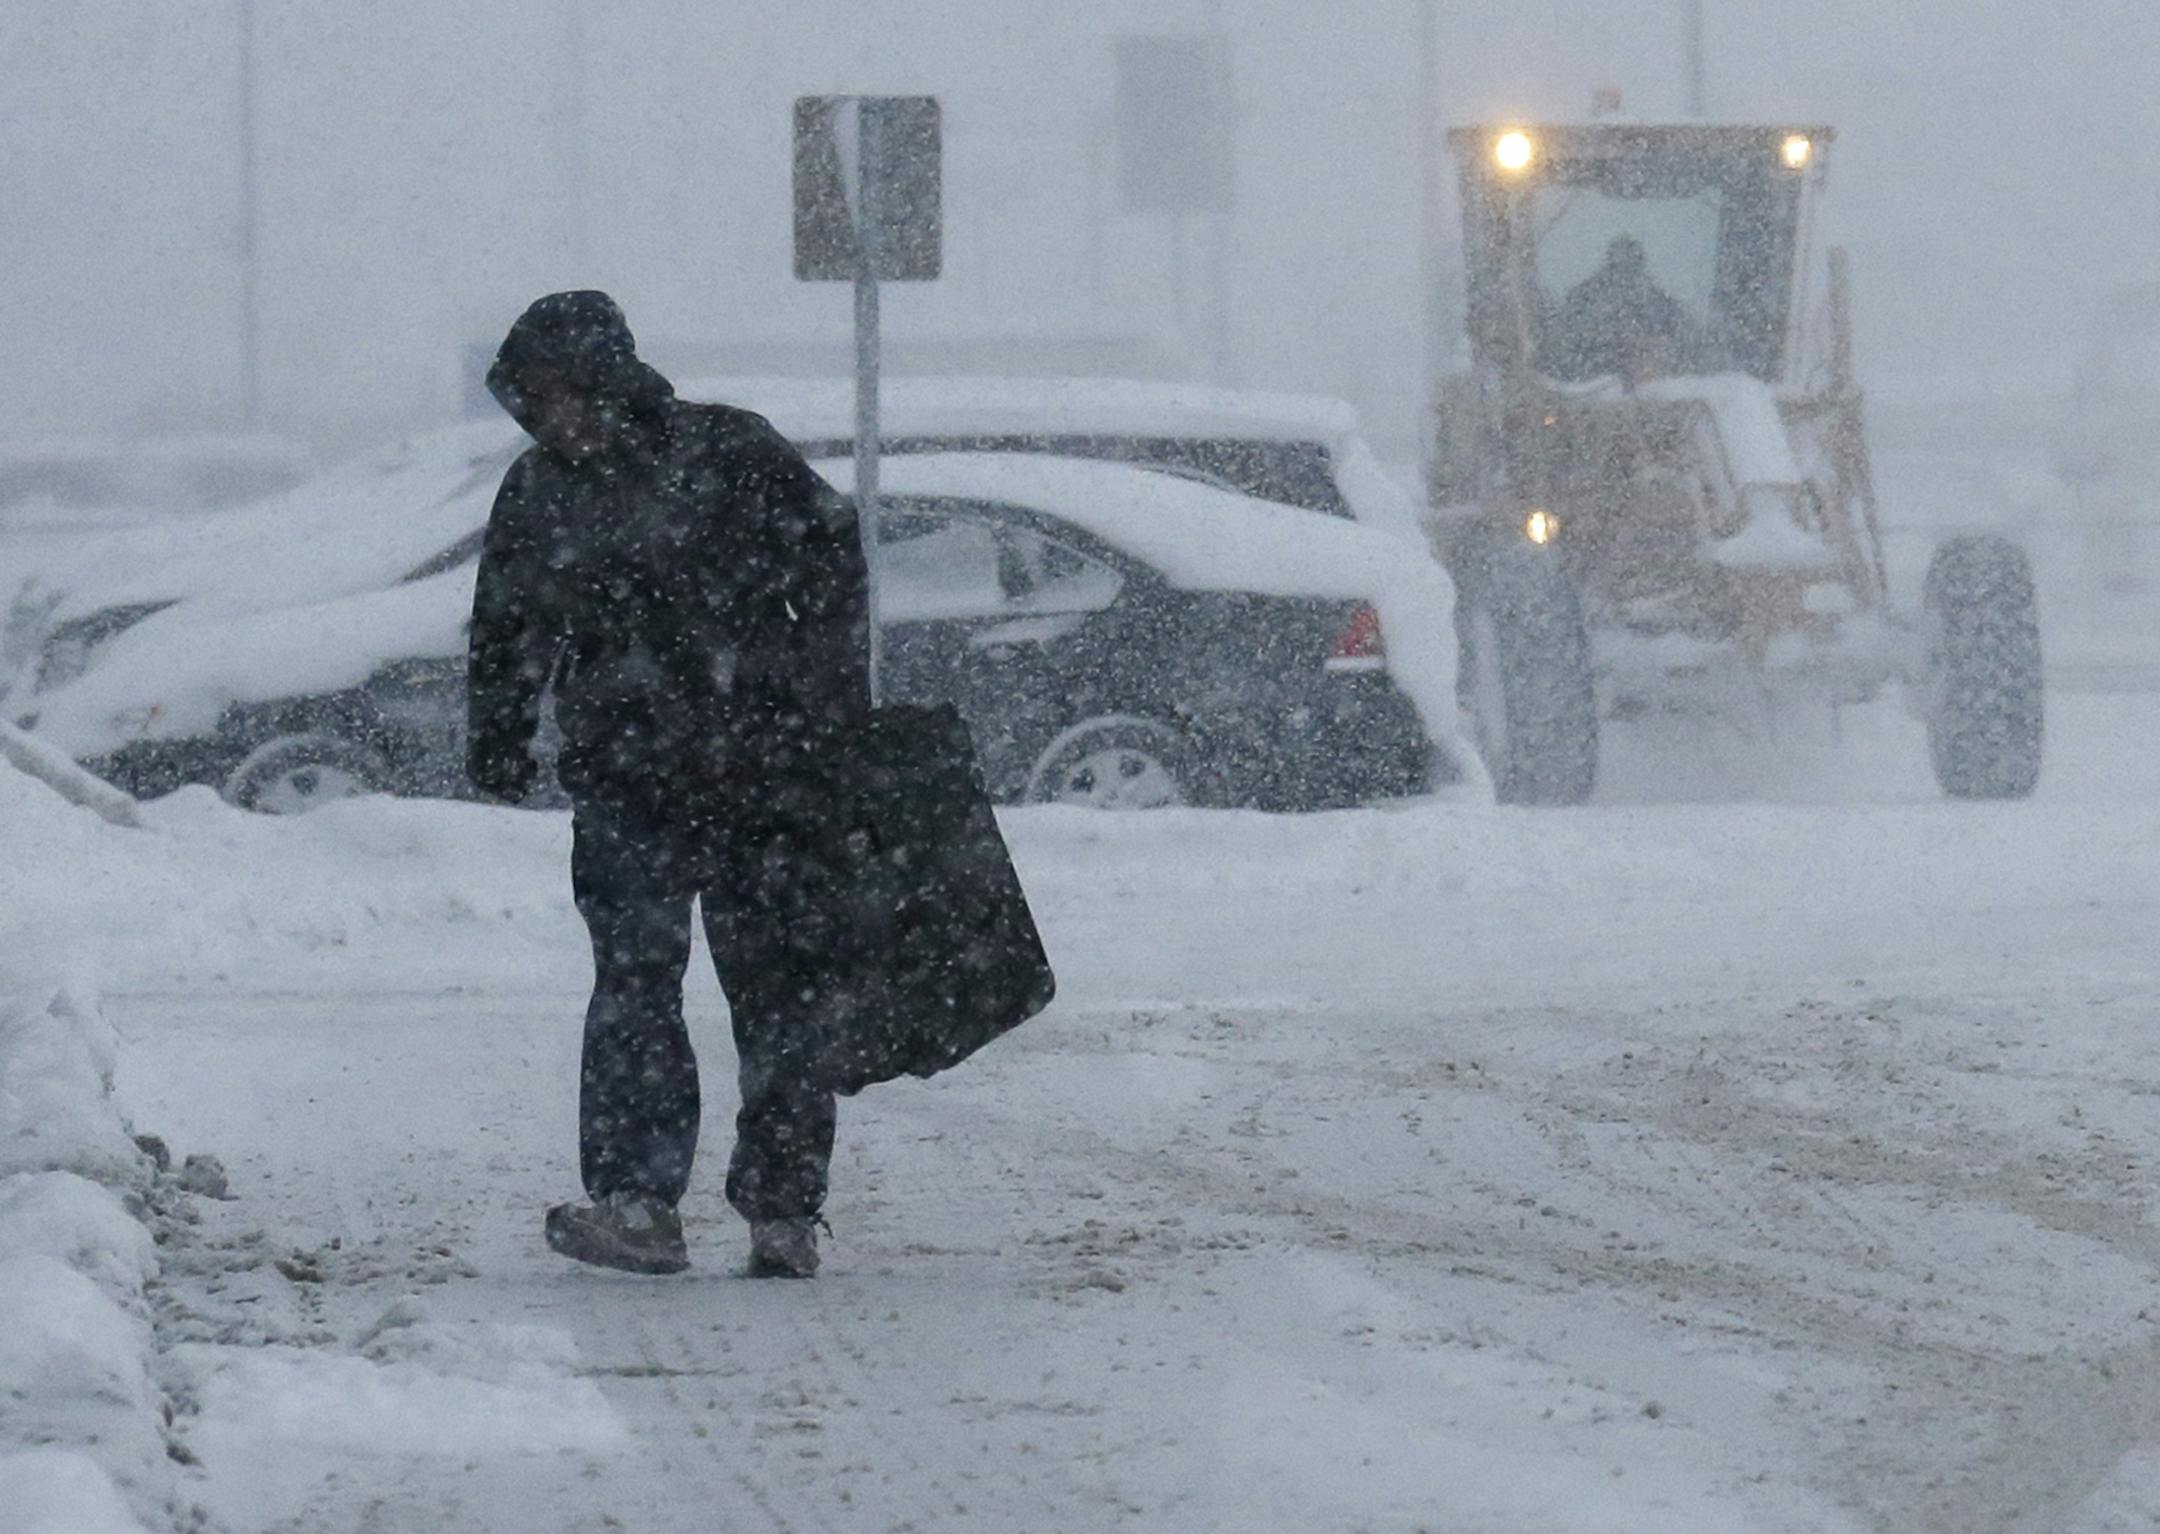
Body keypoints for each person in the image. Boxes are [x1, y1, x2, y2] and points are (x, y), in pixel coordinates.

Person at [467, 291, 872, 1279]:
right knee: (637, 988)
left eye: (562, 394)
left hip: (762, 772)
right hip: (631, 779)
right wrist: (500, 735)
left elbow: (833, 559)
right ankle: (639, 1202)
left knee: (774, 988)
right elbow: (507, 624)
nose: (550, 417)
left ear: (608, 380)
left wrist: (823, 700)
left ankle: (781, 1212)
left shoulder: (732, 450)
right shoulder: (539, 489)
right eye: (534, 400)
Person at [1543, 235, 1689, 383]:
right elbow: (1564, 356)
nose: (1624, 276)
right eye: (1620, 266)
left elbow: (1679, 353)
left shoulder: (1662, 306)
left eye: (1630, 266)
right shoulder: (1582, 300)